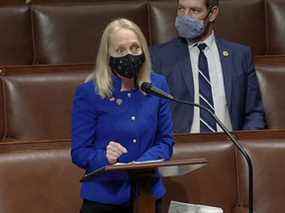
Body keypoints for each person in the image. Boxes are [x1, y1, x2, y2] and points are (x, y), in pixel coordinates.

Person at [71, 18, 174, 213]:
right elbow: (79, 152)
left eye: (135, 48)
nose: (129, 55)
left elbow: (166, 141)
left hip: (147, 195)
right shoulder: (89, 93)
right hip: (104, 200)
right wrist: (105, 157)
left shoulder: (157, 86)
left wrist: (141, 163)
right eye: (120, 51)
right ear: (107, 56)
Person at [150, 0, 266, 133]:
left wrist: (243, 146)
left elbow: (254, 113)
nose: (185, 17)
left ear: (212, 14)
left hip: (230, 145)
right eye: (181, 9)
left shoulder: (240, 55)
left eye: (194, 11)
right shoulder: (159, 57)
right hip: (181, 148)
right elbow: (151, 114)